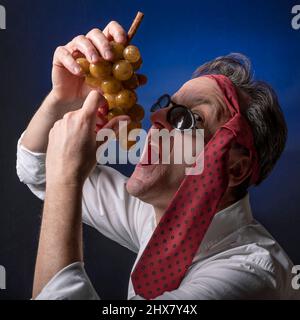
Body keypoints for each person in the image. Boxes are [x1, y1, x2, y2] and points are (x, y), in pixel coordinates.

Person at [16, 21, 299, 300]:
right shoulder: (160, 216)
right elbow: (39, 170)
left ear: (235, 168)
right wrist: (61, 100)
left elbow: (56, 180)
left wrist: (66, 177)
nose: (157, 118)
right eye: (168, 106)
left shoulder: (250, 277)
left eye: (190, 119)